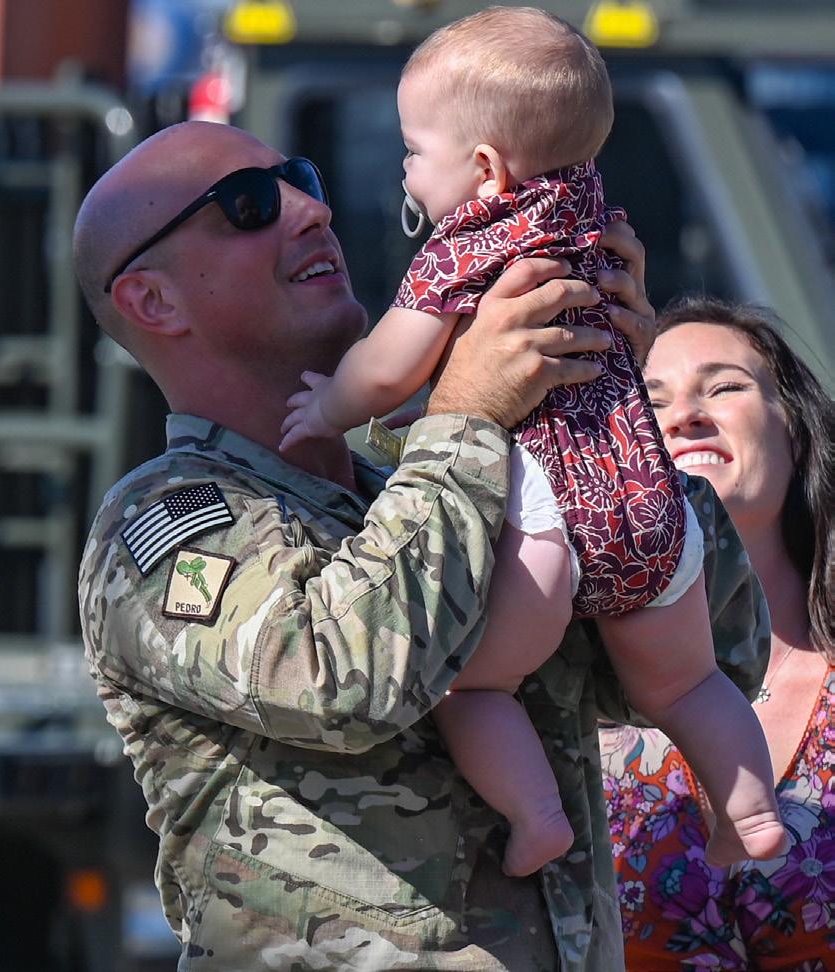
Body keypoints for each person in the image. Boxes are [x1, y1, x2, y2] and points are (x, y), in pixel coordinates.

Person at [73, 118, 770, 971]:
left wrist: (607, 421)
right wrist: (467, 414)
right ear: (152, 300)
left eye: (303, 180)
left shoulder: (444, 483)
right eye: (250, 204)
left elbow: (720, 656)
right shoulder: (163, 521)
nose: (311, 211)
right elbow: (342, 680)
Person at [278, 6, 785, 877]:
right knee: (688, 684)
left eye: (413, 151)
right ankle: (752, 812)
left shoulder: (464, 248)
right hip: (651, 505)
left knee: (472, 684)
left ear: (484, 167)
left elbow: (389, 369)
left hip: (548, 519)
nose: (405, 169)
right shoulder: (598, 221)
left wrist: (329, 406)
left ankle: (537, 815)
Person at [600, 297, 835, 970]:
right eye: (651, 402)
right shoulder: (559, 692)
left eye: (724, 387)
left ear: (795, 433)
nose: (683, 415)